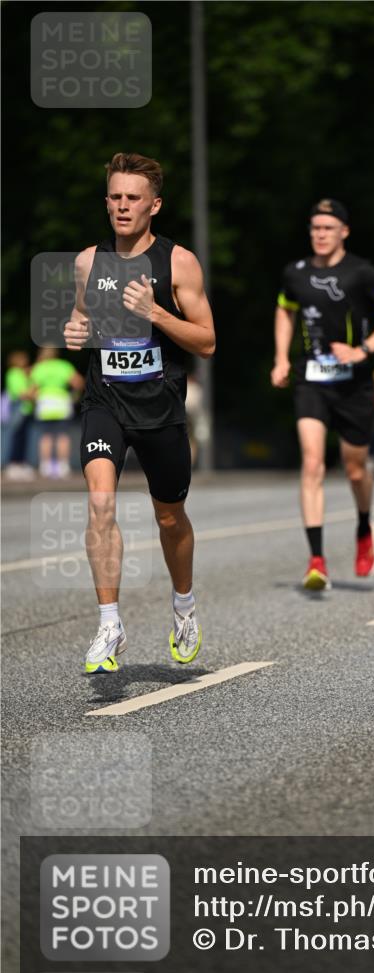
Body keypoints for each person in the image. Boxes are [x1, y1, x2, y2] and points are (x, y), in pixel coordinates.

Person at [64, 152, 215, 673]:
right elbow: (81, 318)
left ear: (155, 205)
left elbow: (207, 341)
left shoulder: (179, 263)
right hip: (105, 401)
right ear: (106, 201)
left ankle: (184, 607)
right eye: (115, 197)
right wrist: (74, 331)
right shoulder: (88, 261)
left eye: (133, 198)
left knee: (169, 517)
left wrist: (156, 313)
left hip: (160, 407)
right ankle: (110, 624)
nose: (122, 206)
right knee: (100, 503)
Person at [271, 198, 374, 590]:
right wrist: (281, 357)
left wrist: (363, 351)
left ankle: (365, 528)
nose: (320, 234)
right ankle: (316, 560)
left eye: (328, 228)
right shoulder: (295, 273)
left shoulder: (361, 272)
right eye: (315, 228)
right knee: (312, 464)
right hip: (311, 379)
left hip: (354, 384)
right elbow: (285, 310)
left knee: (354, 468)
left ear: (344, 232)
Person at [30, 346, 84, 478]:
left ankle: (45, 466)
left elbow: (32, 389)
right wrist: (74, 397)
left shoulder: (39, 368)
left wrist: (33, 399)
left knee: (46, 436)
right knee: (62, 436)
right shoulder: (64, 366)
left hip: (45, 403)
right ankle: (63, 466)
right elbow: (79, 383)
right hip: (61, 402)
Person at [3, 350, 35, 479]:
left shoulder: (22, 374)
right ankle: (13, 464)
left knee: (23, 437)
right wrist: (33, 392)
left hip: (25, 410)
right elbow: (21, 394)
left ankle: (20, 463)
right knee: (16, 437)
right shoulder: (14, 373)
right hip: (18, 409)